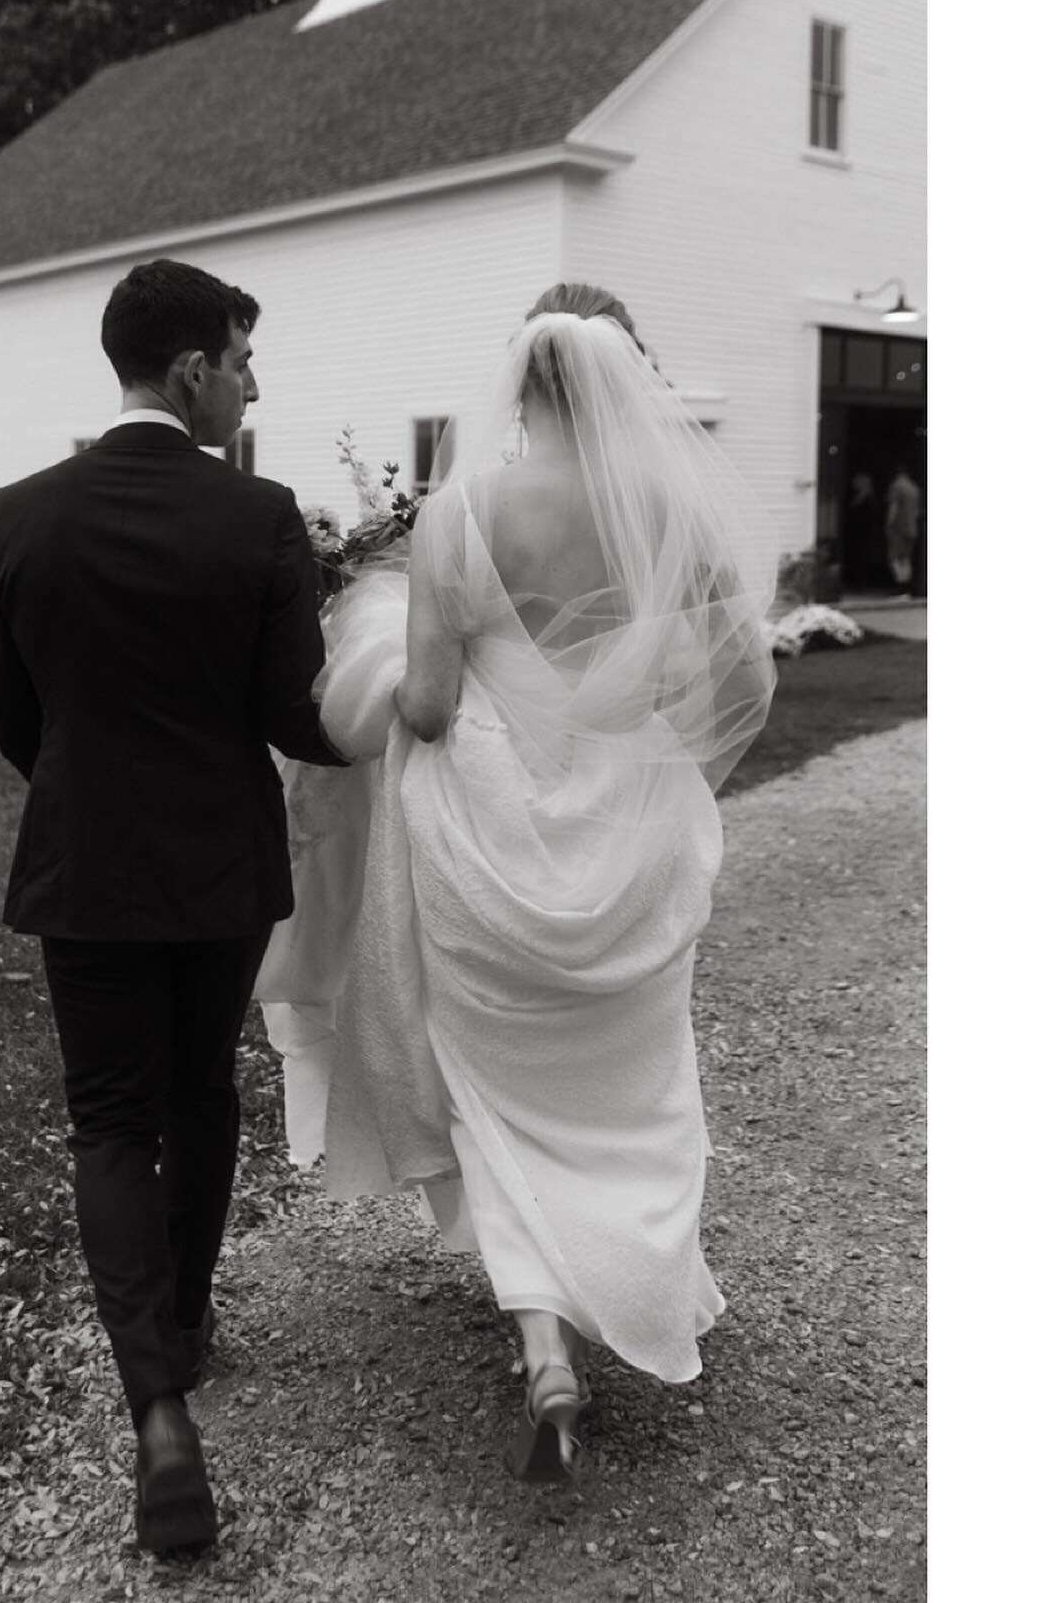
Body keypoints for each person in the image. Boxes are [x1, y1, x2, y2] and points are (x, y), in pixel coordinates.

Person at [258, 282, 776, 1483]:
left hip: (485, 849)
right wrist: (655, 773)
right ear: (622, 377)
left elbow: (431, 706)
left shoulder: (466, 513)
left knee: (494, 1089)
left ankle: (545, 1344)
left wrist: (365, 668)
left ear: (522, 379)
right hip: (628, 842)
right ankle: (624, 1284)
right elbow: (741, 678)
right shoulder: (668, 512)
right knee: (631, 1086)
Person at [0, 258, 346, 1554]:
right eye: (243, 361)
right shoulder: (261, 519)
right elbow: (298, 715)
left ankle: (158, 1411)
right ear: (190, 371)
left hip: (88, 865)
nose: (253, 385)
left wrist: (83, 794)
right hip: (222, 870)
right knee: (200, 1094)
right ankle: (186, 1320)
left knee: (111, 1125)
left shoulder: (20, 514)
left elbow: (12, 708)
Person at [885, 461, 922, 596]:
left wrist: (888, 524)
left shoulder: (896, 486)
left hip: (898, 528)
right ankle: (906, 589)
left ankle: (899, 587)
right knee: (906, 558)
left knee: (894, 557)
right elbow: (917, 511)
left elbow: (893, 507)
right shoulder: (914, 488)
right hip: (912, 528)